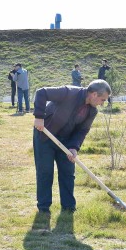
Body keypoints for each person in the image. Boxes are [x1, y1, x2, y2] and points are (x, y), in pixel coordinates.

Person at [32, 79, 111, 213]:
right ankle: (44, 207)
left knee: (68, 172)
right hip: (45, 135)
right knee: (45, 171)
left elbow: (82, 130)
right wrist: (39, 116)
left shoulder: (92, 111)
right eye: (103, 100)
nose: (102, 103)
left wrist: (74, 147)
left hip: (66, 142)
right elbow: (41, 93)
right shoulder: (69, 92)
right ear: (94, 95)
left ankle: (68, 207)